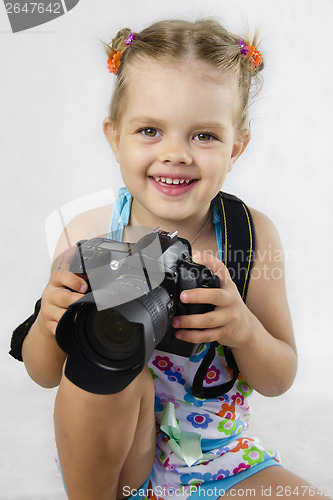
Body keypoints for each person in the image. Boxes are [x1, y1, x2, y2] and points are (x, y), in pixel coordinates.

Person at [9, 18, 331, 500]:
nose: (175, 153)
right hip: (115, 462)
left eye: (204, 136)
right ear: (115, 137)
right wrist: (49, 321)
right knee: (107, 373)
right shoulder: (92, 237)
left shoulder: (249, 237)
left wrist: (242, 328)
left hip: (220, 460)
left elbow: (280, 377)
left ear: (236, 148)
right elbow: (44, 373)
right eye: (150, 130)